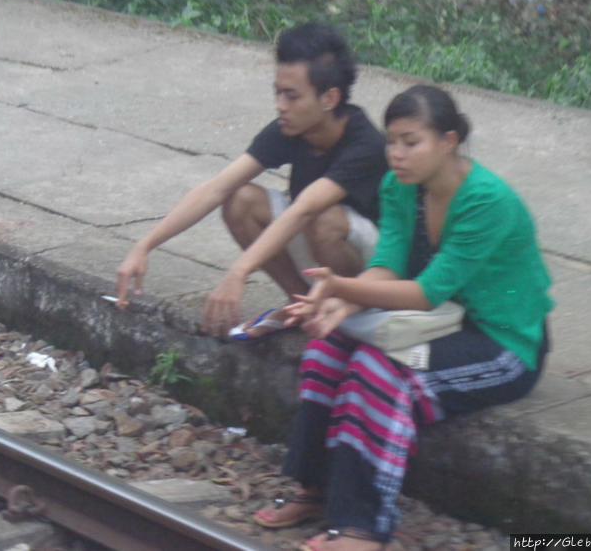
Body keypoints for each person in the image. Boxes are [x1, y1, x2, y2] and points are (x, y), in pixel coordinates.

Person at [253, 84, 553, 551]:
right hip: (440, 323)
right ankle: (315, 490)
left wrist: (338, 286)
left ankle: (362, 528)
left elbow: (425, 293)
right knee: (327, 348)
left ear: (448, 141)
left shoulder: (486, 201)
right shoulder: (400, 187)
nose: (396, 154)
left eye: (411, 142)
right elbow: (388, 264)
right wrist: (340, 304)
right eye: (392, 140)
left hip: (500, 342)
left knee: (381, 372)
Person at [115, 23, 388, 336]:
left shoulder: (365, 144)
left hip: (376, 269)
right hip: (316, 241)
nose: (280, 105)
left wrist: (239, 270)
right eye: (277, 93)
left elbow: (306, 209)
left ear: (329, 98)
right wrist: (145, 245)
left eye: (292, 96)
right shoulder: (291, 128)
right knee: (240, 200)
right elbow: (217, 188)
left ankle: (342, 311)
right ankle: (299, 304)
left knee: (322, 217)